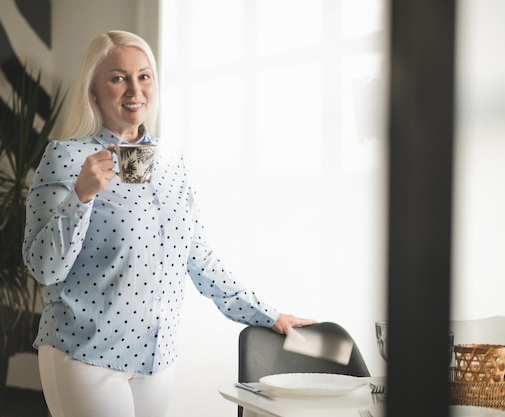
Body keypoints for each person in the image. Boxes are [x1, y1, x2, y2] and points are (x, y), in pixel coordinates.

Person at [22, 29, 316, 417]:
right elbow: (43, 268)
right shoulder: (67, 157)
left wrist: (266, 314)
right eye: (118, 78)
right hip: (85, 353)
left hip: (156, 359)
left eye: (144, 76)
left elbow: (198, 256)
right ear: (93, 89)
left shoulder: (170, 163)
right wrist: (81, 196)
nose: (134, 90)